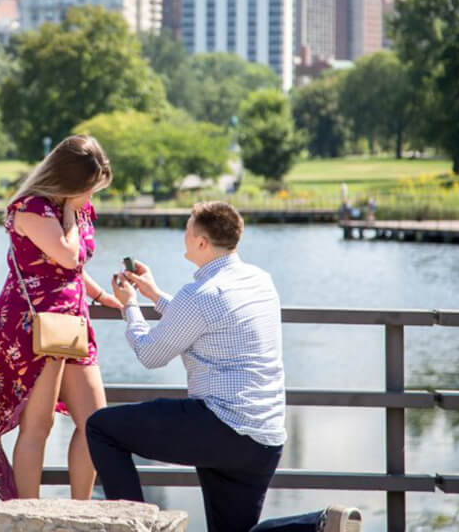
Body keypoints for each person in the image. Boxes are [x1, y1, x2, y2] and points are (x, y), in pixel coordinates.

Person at [86, 201, 362, 532]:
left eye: (187, 230)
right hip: (265, 436)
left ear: (202, 242)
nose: (184, 236)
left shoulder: (199, 294)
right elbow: (205, 320)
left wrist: (130, 306)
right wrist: (155, 295)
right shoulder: (259, 280)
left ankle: (134, 528)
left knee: (102, 428)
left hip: (221, 427)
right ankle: (320, 525)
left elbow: (150, 354)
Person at [0, 135, 124, 500]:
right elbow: (67, 255)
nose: (91, 197)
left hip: (72, 324)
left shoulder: (75, 206)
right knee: (38, 425)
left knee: (96, 423)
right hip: (33, 327)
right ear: (68, 181)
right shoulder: (32, 208)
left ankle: (80, 513)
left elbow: (72, 269)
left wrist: (100, 295)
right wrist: (70, 212)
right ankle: (29, 515)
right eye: (89, 189)